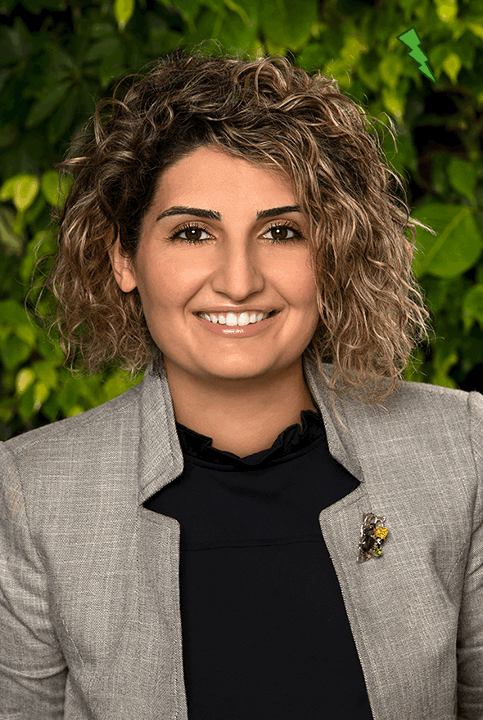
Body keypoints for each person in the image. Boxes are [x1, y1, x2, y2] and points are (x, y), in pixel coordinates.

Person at [0, 49, 481, 720]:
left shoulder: (462, 448)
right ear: (123, 258)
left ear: (332, 253)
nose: (238, 281)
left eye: (281, 232)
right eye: (192, 233)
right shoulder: (34, 492)